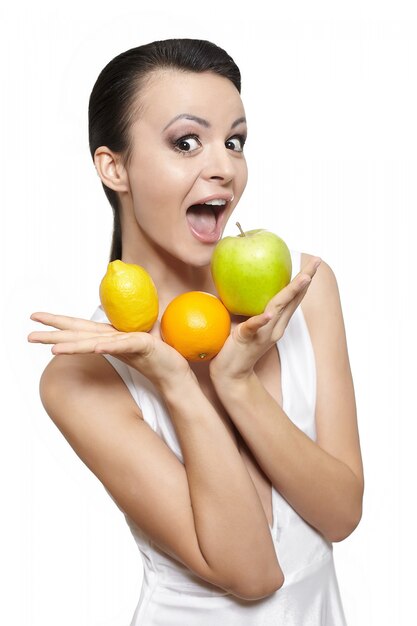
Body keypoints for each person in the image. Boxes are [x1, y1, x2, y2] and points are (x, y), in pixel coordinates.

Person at [27, 38, 364, 625]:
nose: (224, 167)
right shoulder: (81, 375)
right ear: (115, 167)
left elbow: (340, 515)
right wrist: (177, 383)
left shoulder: (305, 292)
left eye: (234, 141)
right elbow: (253, 574)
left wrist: (237, 384)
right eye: (187, 142)